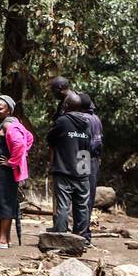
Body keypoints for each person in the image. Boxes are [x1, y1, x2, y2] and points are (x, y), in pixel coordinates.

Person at [0, 96, 35, 250]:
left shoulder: (8, 125)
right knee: (5, 201)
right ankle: (6, 238)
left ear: (9, 110)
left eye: (0, 108)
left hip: (3, 171)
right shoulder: (8, 123)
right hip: (0, 170)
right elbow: (29, 138)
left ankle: (2, 240)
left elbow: (20, 143)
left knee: (4, 202)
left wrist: (11, 161)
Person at [48, 92, 93, 242]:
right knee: (82, 206)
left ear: (66, 106)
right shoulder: (87, 123)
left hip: (64, 168)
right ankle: (81, 239)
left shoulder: (63, 121)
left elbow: (50, 138)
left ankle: (61, 238)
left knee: (63, 206)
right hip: (83, 168)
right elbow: (88, 146)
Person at [78, 92, 105, 223]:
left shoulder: (83, 119)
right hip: (93, 159)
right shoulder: (96, 118)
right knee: (89, 193)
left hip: (83, 157)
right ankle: (85, 227)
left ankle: (81, 228)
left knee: (82, 192)